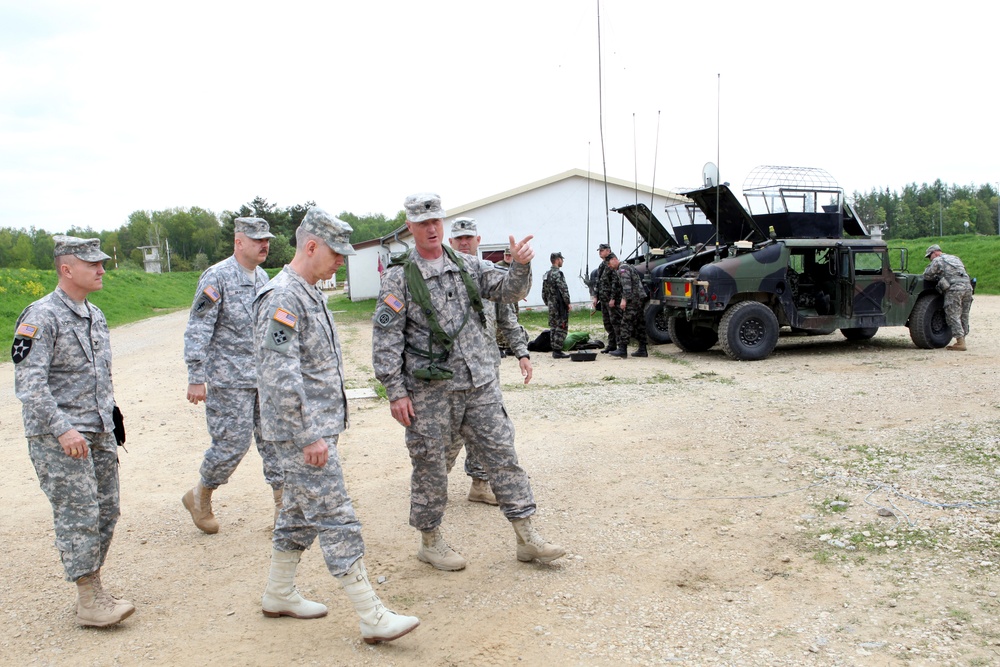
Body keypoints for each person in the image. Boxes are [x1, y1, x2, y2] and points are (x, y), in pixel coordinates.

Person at [373, 193, 565, 572]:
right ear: (410, 227)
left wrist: (521, 266)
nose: (431, 228)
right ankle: (430, 541)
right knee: (429, 465)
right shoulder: (399, 277)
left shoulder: (468, 266)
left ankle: (527, 537)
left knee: (503, 457)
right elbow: (386, 340)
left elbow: (509, 292)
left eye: (436, 221)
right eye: (422, 223)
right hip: (430, 392)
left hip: (480, 385)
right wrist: (395, 391)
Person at [254, 207, 419, 644]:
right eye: (335, 253)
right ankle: (372, 615)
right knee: (336, 517)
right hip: (301, 434)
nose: (341, 262)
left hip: (314, 430)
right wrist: (308, 434)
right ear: (311, 246)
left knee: (297, 516)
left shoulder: (308, 292)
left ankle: (278, 592)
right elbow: (279, 375)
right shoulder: (282, 297)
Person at [12, 235, 135, 627]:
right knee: (78, 513)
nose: (102, 269)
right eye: (93, 264)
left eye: (101, 263)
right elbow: (30, 385)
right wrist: (64, 430)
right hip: (59, 437)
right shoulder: (40, 316)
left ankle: (93, 586)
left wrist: (109, 420)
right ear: (67, 269)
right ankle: (88, 599)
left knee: (106, 509)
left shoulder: (94, 314)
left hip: (97, 431)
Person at [182, 217, 284, 534]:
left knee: (275, 442)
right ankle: (200, 496)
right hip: (229, 381)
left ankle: (285, 510)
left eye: (266, 240)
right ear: (239, 242)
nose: (264, 245)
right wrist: (196, 375)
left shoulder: (263, 277)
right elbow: (198, 327)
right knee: (231, 445)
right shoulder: (217, 277)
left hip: (262, 379)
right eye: (257, 240)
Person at [446, 217, 533, 505]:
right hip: (451, 371)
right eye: (459, 238)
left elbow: (508, 319)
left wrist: (522, 352)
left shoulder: (490, 276)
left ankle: (480, 482)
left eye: (469, 237)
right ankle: (432, 480)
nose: (464, 242)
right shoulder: (439, 278)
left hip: (486, 368)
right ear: (450, 242)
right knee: (450, 431)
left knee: (488, 429)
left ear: (478, 240)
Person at [923, 244, 973, 351]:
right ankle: (963, 338)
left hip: (955, 289)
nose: (929, 259)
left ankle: (960, 342)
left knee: (952, 314)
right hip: (968, 287)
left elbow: (927, 275)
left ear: (935, 253)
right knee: (964, 314)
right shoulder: (955, 258)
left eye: (929, 256)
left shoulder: (938, 260)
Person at [607, 254, 649, 358]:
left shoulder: (622, 269)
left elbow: (627, 286)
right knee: (639, 323)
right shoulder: (626, 266)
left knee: (625, 322)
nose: (609, 266)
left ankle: (622, 349)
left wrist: (624, 300)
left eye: (609, 263)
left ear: (614, 260)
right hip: (638, 298)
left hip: (633, 299)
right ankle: (643, 349)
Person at [541, 251, 572, 359]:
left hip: (551, 305)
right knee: (561, 326)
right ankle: (558, 350)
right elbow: (564, 290)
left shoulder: (547, 274)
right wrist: (567, 303)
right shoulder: (558, 274)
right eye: (561, 259)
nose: (562, 261)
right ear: (558, 260)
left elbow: (543, 292)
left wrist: (548, 302)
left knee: (553, 326)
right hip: (559, 305)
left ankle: (554, 348)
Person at [493, 246, 519, 354]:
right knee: (501, 320)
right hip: (501, 297)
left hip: (513, 297)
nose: (508, 257)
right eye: (506, 255)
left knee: (514, 319)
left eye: (510, 255)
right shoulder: (498, 266)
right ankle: (500, 346)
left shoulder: (514, 266)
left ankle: (510, 346)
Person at [592, 244, 617, 353]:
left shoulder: (612, 262)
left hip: (611, 299)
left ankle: (620, 345)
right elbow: (598, 281)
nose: (600, 252)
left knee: (615, 321)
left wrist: (613, 298)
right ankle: (612, 344)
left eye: (602, 250)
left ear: (608, 251)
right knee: (607, 322)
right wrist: (595, 296)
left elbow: (616, 282)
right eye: (599, 251)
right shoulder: (603, 264)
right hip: (603, 298)